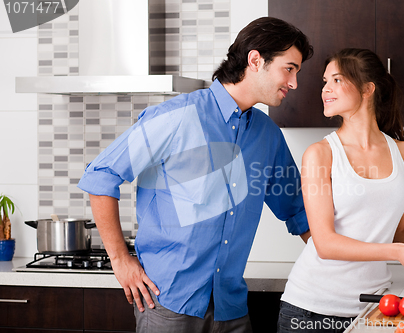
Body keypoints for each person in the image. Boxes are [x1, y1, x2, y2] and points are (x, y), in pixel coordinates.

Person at [77, 17, 313, 333]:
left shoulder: (268, 136)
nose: (294, 82)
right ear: (255, 60)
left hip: (231, 310)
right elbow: (101, 175)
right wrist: (120, 261)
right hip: (167, 305)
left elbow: (299, 211)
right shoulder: (176, 116)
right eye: (289, 68)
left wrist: (339, 270)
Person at [277, 48, 404, 333]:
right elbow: (324, 243)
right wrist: (398, 252)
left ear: (368, 88)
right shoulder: (321, 154)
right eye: (325, 82)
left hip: (374, 307)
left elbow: (401, 230)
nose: (325, 89)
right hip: (311, 311)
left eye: (336, 80)